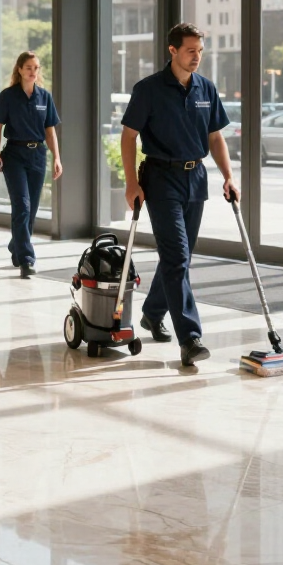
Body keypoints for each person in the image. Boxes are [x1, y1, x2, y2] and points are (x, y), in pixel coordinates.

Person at [120, 22, 239, 367]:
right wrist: (131, 183)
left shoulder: (206, 89)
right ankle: (190, 338)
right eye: (191, 51)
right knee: (176, 257)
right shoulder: (148, 90)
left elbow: (216, 137)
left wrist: (229, 176)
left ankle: (153, 312)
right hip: (160, 179)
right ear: (172, 50)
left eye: (200, 51)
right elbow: (128, 137)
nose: (197, 57)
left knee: (178, 257)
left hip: (195, 178)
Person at [0, 51, 63, 277]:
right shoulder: (8, 96)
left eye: (36, 68)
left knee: (30, 210)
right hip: (14, 155)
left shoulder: (44, 97)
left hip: (38, 155)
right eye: (29, 67)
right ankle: (26, 259)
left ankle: (17, 245)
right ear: (20, 70)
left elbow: (50, 131)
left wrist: (57, 158)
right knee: (22, 205)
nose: (33, 71)